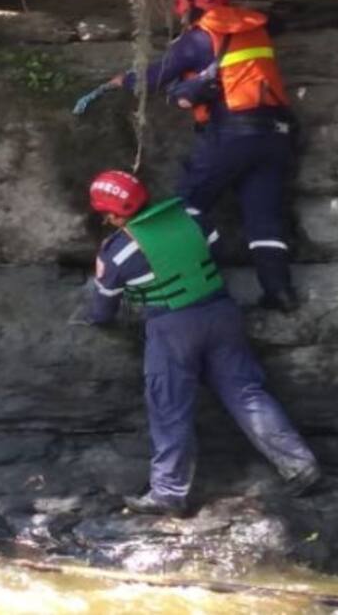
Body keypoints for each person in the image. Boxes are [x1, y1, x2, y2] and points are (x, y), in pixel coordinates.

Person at [80, 169, 321, 516]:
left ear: (112, 214)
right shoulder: (189, 216)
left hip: (172, 327)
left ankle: (168, 493)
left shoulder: (117, 253)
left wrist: (97, 317)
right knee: (246, 392)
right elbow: (216, 246)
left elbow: (104, 309)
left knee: (170, 406)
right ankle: (301, 466)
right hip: (222, 312)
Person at [73, 0, 298, 311]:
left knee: (188, 204)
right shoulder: (256, 29)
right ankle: (279, 292)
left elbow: (159, 74)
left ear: (189, 8)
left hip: (231, 134)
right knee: (263, 217)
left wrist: (126, 80)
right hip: (276, 135)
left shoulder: (198, 37)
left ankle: (181, 288)